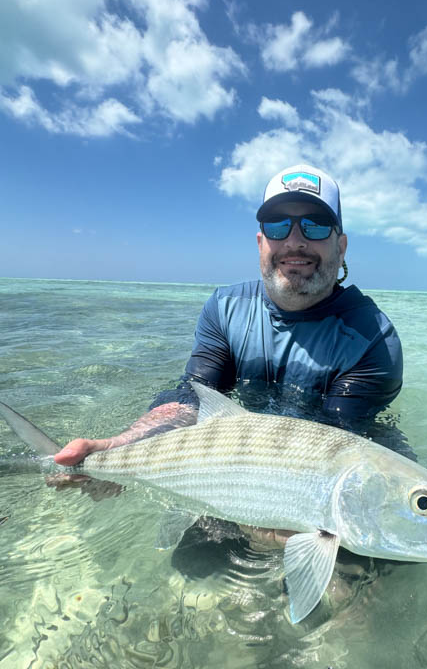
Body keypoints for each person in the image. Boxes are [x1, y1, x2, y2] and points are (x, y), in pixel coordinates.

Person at [54, 164, 403, 469]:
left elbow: (335, 443)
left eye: (314, 225)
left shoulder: (372, 339)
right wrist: (122, 446)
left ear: (340, 247)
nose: (294, 241)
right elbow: (193, 395)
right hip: (231, 457)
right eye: (277, 225)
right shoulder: (224, 308)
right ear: (260, 242)